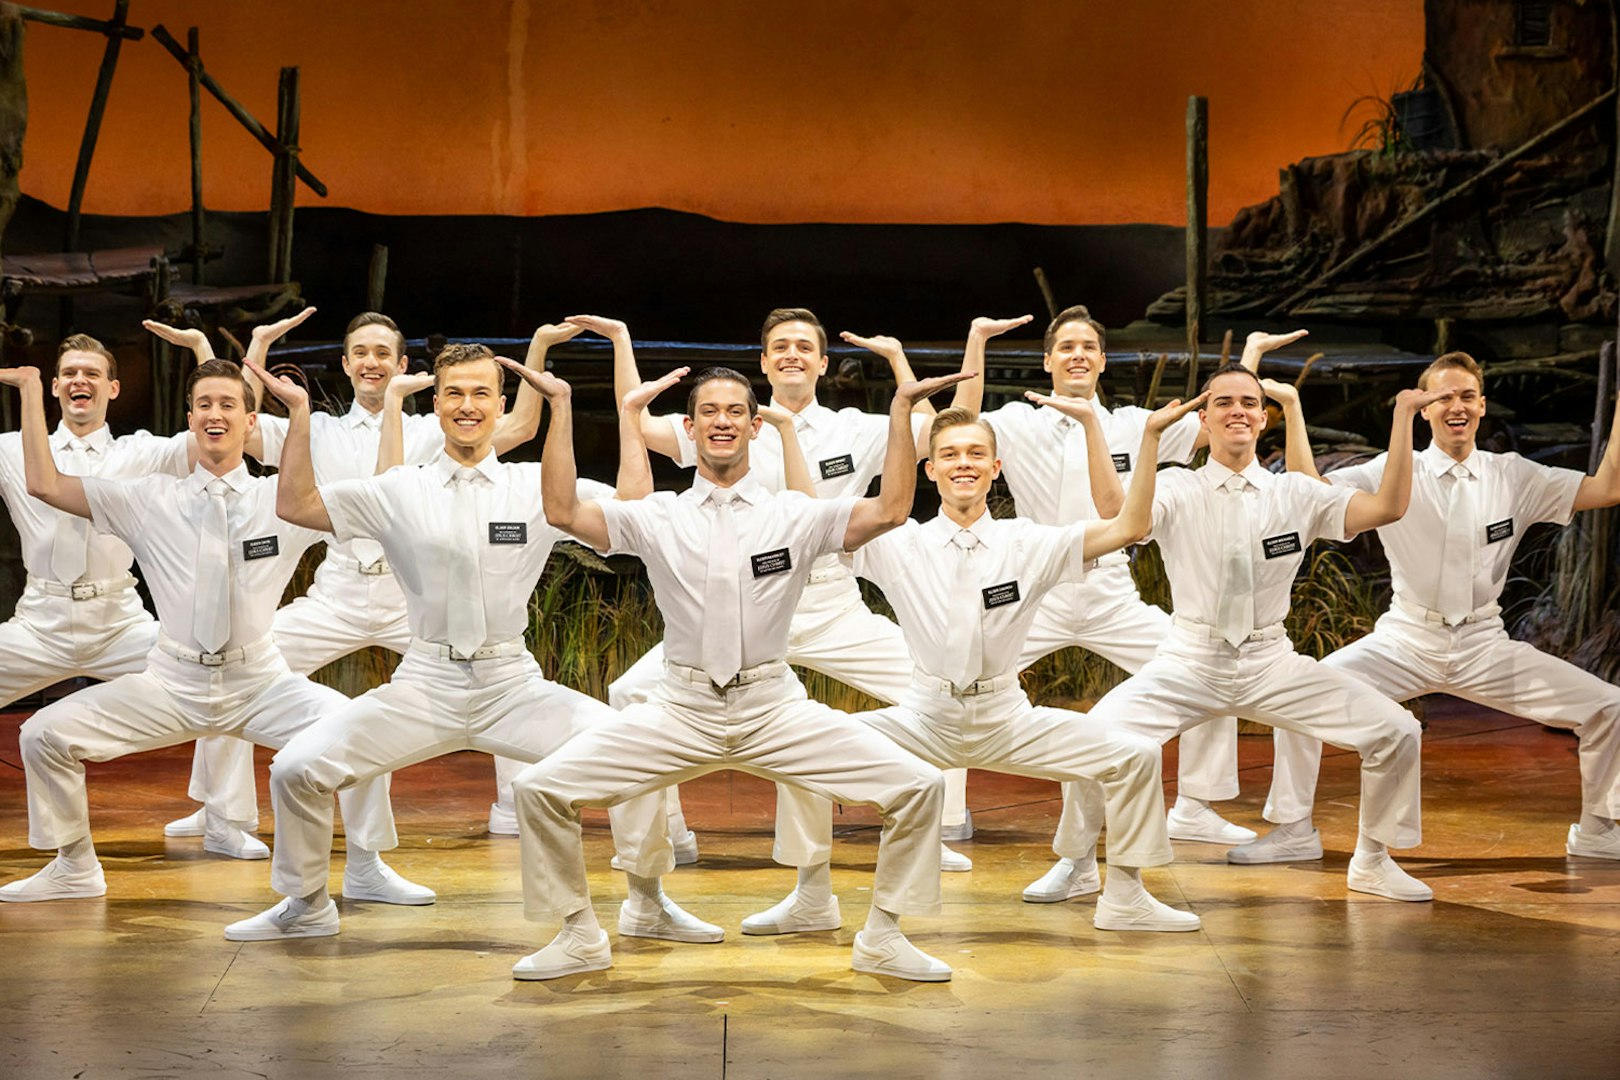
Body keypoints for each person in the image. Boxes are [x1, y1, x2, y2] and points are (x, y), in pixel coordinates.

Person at [511, 361, 969, 982]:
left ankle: (884, 936)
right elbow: (564, 511)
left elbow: (889, 510)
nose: (721, 421)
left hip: (771, 706)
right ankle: (579, 934)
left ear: (756, 427)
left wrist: (898, 412)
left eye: (734, 412)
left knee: (918, 787)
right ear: (690, 429)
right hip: (681, 707)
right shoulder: (658, 515)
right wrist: (561, 408)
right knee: (539, 790)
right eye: (708, 412)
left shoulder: (797, 515)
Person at [224, 339, 688, 943]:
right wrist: (300, 418)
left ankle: (647, 902)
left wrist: (591, 412)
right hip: (425, 684)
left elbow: (635, 511)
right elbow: (297, 505)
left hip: (511, 684)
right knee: (296, 769)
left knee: (639, 754)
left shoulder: (533, 487)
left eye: (479, 393)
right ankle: (306, 905)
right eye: (454, 394)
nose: (467, 405)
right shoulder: (399, 489)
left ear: (501, 405)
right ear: (435, 403)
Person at [0, 349, 414, 905]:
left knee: (366, 731)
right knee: (42, 734)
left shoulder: (283, 504)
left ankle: (365, 866)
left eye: (227, 404)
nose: (214, 414)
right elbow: (48, 485)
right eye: (202, 406)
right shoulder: (148, 498)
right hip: (172, 682)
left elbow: (382, 497)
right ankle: (73, 865)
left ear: (249, 423)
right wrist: (29, 391)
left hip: (260, 682)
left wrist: (299, 416)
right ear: (191, 422)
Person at [146, 310, 562, 840]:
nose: (372, 362)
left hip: (410, 596)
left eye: (383, 353)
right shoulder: (316, 429)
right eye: (361, 352)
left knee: (490, 670)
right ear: (345, 364)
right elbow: (235, 418)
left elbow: (523, 425)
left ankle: (511, 806)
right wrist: (247, 345)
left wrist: (539, 347)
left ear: (405, 366)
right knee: (233, 663)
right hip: (339, 591)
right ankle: (225, 811)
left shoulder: (435, 428)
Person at [607, 308, 973, 891]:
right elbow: (639, 421)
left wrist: (900, 361)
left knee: (941, 684)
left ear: (823, 363)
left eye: (805, 346)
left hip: (829, 603)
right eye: (780, 346)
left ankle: (939, 824)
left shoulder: (855, 428)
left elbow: (942, 431)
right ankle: (670, 833)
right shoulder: (733, 420)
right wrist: (623, 340)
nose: (792, 355)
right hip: (741, 608)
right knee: (629, 692)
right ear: (763, 361)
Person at [1056, 363, 1450, 903]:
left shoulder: (1295, 494)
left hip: (1270, 661)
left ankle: (1374, 860)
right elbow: (1117, 512)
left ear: (1262, 418)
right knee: (1090, 742)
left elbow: (1388, 507)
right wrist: (1148, 439)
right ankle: (1076, 863)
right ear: (1205, 417)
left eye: (1247, 402)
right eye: (1223, 403)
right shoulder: (1178, 485)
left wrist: (1405, 417)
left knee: (1396, 732)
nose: (1236, 410)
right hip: (1189, 659)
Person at [951, 309, 1305, 900]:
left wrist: (1251, 355)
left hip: (1112, 591)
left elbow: (1226, 413)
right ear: (1047, 360)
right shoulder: (1017, 421)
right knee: (961, 676)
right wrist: (977, 339)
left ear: (1102, 359)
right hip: (1035, 589)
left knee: (1211, 662)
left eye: (1089, 346)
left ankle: (1194, 804)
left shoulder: (1137, 424)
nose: (1077, 355)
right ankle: (946, 814)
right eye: (1065, 347)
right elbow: (958, 418)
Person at [838, 391, 1212, 932]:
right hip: (922, 716)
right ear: (930, 469)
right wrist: (894, 415)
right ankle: (813, 896)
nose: (962, 463)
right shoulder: (897, 543)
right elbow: (817, 523)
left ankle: (1125, 896)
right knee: (802, 757)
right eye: (949, 454)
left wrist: (1148, 439)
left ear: (995, 467)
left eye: (974, 453)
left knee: (1133, 757)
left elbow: (1128, 528)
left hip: (1006, 718)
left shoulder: (1030, 542)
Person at [1239, 350, 1620, 865]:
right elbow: (1311, 492)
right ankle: (1293, 830)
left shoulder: (1513, 475)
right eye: (1442, 397)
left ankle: (1598, 829)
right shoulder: (1397, 470)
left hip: (1485, 645)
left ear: (1482, 407)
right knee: (1297, 703)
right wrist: (1295, 407)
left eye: (1466, 396)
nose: (1455, 406)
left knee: (1608, 708)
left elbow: (1606, 487)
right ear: (1423, 409)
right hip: (1406, 641)